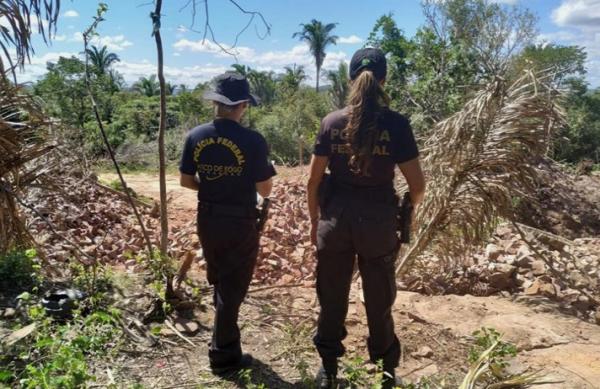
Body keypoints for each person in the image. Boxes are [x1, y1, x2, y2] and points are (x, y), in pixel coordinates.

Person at [307, 48, 426, 389]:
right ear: (384, 80)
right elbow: (417, 186)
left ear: (350, 79)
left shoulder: (332, 122)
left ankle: (329, 370)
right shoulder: (397, 124)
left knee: (331, 296)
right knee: (379, 299)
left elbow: (314, 180)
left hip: (336, 221)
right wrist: (406, 213)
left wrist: (316, 222)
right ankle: (386, 373)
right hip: (378, 222)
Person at [179, 72, 276, 374]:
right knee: (234, 287)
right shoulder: (253, 140)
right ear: (243, 104)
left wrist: (211, 187)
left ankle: (224, 344)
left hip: (207, 217)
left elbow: (185, 181)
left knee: (220, 278)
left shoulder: (195, 136)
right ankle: (222, 355)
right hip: (239, 221)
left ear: (217, 103)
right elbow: (265, 189)